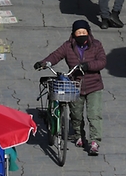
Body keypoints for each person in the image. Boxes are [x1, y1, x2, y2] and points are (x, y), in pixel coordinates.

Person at [34, 21, 106, 155]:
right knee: (76, 115)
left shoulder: (96, 45)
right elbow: (55, 56)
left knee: (94, 115)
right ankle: (79, 136)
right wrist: (43, 63)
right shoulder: (68, 46)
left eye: (84, 32)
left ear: (88, 33)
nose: (81, 35)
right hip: (75, 86)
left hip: (94, 85)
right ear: (73, 34)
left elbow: (102, 61)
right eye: (78, 33)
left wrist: (88, 66)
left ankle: (95, 142)